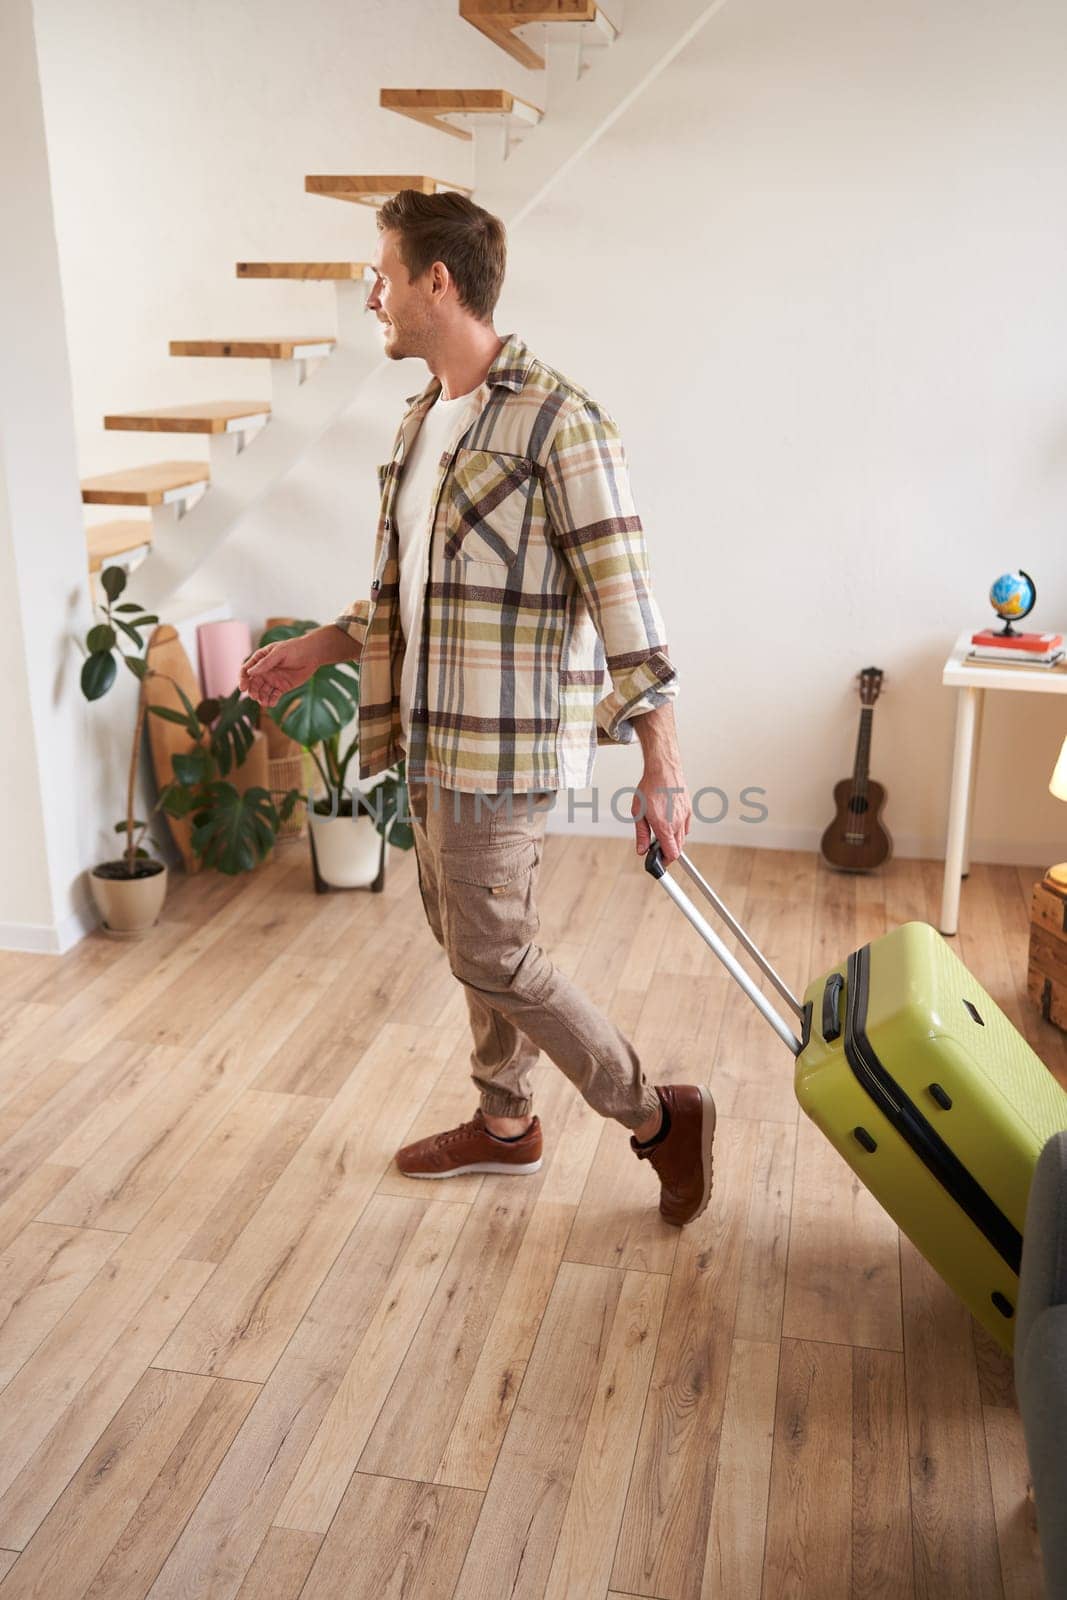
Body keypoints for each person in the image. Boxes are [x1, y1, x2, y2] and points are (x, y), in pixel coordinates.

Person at [240, 189, 716, 1226]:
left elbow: (625, 602)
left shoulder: (560, 421)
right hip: (425, 730)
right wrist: (322, 645)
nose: (373, 292)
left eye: (383, 272)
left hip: (499, 746)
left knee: (491, 951)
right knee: (464, 931)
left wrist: (662, 763)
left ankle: (654, 1116)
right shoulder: (425, 421)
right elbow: (411, 589)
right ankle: (505, 1125)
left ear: (436, 283)